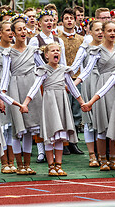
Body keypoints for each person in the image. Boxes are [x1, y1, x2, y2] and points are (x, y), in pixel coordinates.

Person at [23, 43, 84, 176]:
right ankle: (51, 166)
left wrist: (82, 102)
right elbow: (35, 87)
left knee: (60, 135)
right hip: (50, 104)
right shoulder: (43, 70)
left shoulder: (64, 70)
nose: (56, 53)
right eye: (52, 51)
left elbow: (72, 88)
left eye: (58, 51)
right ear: (46, 55)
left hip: (61, 102)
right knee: (51, 133)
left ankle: (59, 165)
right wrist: (26, 103)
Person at [74, 21, 115, 171]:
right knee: (97, 124)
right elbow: (84, 69)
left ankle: (112, 159)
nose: (110, 33)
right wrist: (73, 83)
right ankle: (98, 158)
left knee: (114, 124)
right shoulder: (92, 49)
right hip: (97, 85)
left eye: (114, 30)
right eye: (107, 30)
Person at [0, 18, 44, 175]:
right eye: (19, 29)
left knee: (29, 128)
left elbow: (43, 69)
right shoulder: (8, 53)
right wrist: (1, 97)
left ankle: (27, 165)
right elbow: (5, 76)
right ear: (13, 33)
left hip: (31, 89)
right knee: (17, 128)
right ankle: (19, 165)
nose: (23, 32)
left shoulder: (33, 50)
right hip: (15, 88)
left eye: (24, 29)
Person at [74, 20, 103, 167]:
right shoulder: (85, 47)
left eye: (101, 29)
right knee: (89, 120)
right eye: (96, 30)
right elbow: (75, 66)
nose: (100, 32)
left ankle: (104, 154)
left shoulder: (109, 47)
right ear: (90, 32)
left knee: (104, 119)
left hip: (105, 83)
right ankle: (92, 155)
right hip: (89, 82)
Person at [0, 21, 17, 173]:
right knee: (3, 125)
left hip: (15, 85)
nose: (11, 33)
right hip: (1, 86)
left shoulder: (15, 49)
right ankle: (4, 162)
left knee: (13, 125)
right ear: (0, 33)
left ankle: (12, 161)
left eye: (12, 30)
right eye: (8, 30)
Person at [58, 8, 85, 155]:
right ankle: (63, 142)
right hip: (62, 78)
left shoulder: (82, 38)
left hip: (77, 77)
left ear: (75, 20)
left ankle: (73, 141)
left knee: (76, 111)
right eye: (66, 18)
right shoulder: (57, 38)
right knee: (64, 110)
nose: (69, 21)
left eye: (71, 18)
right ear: (62, 21)